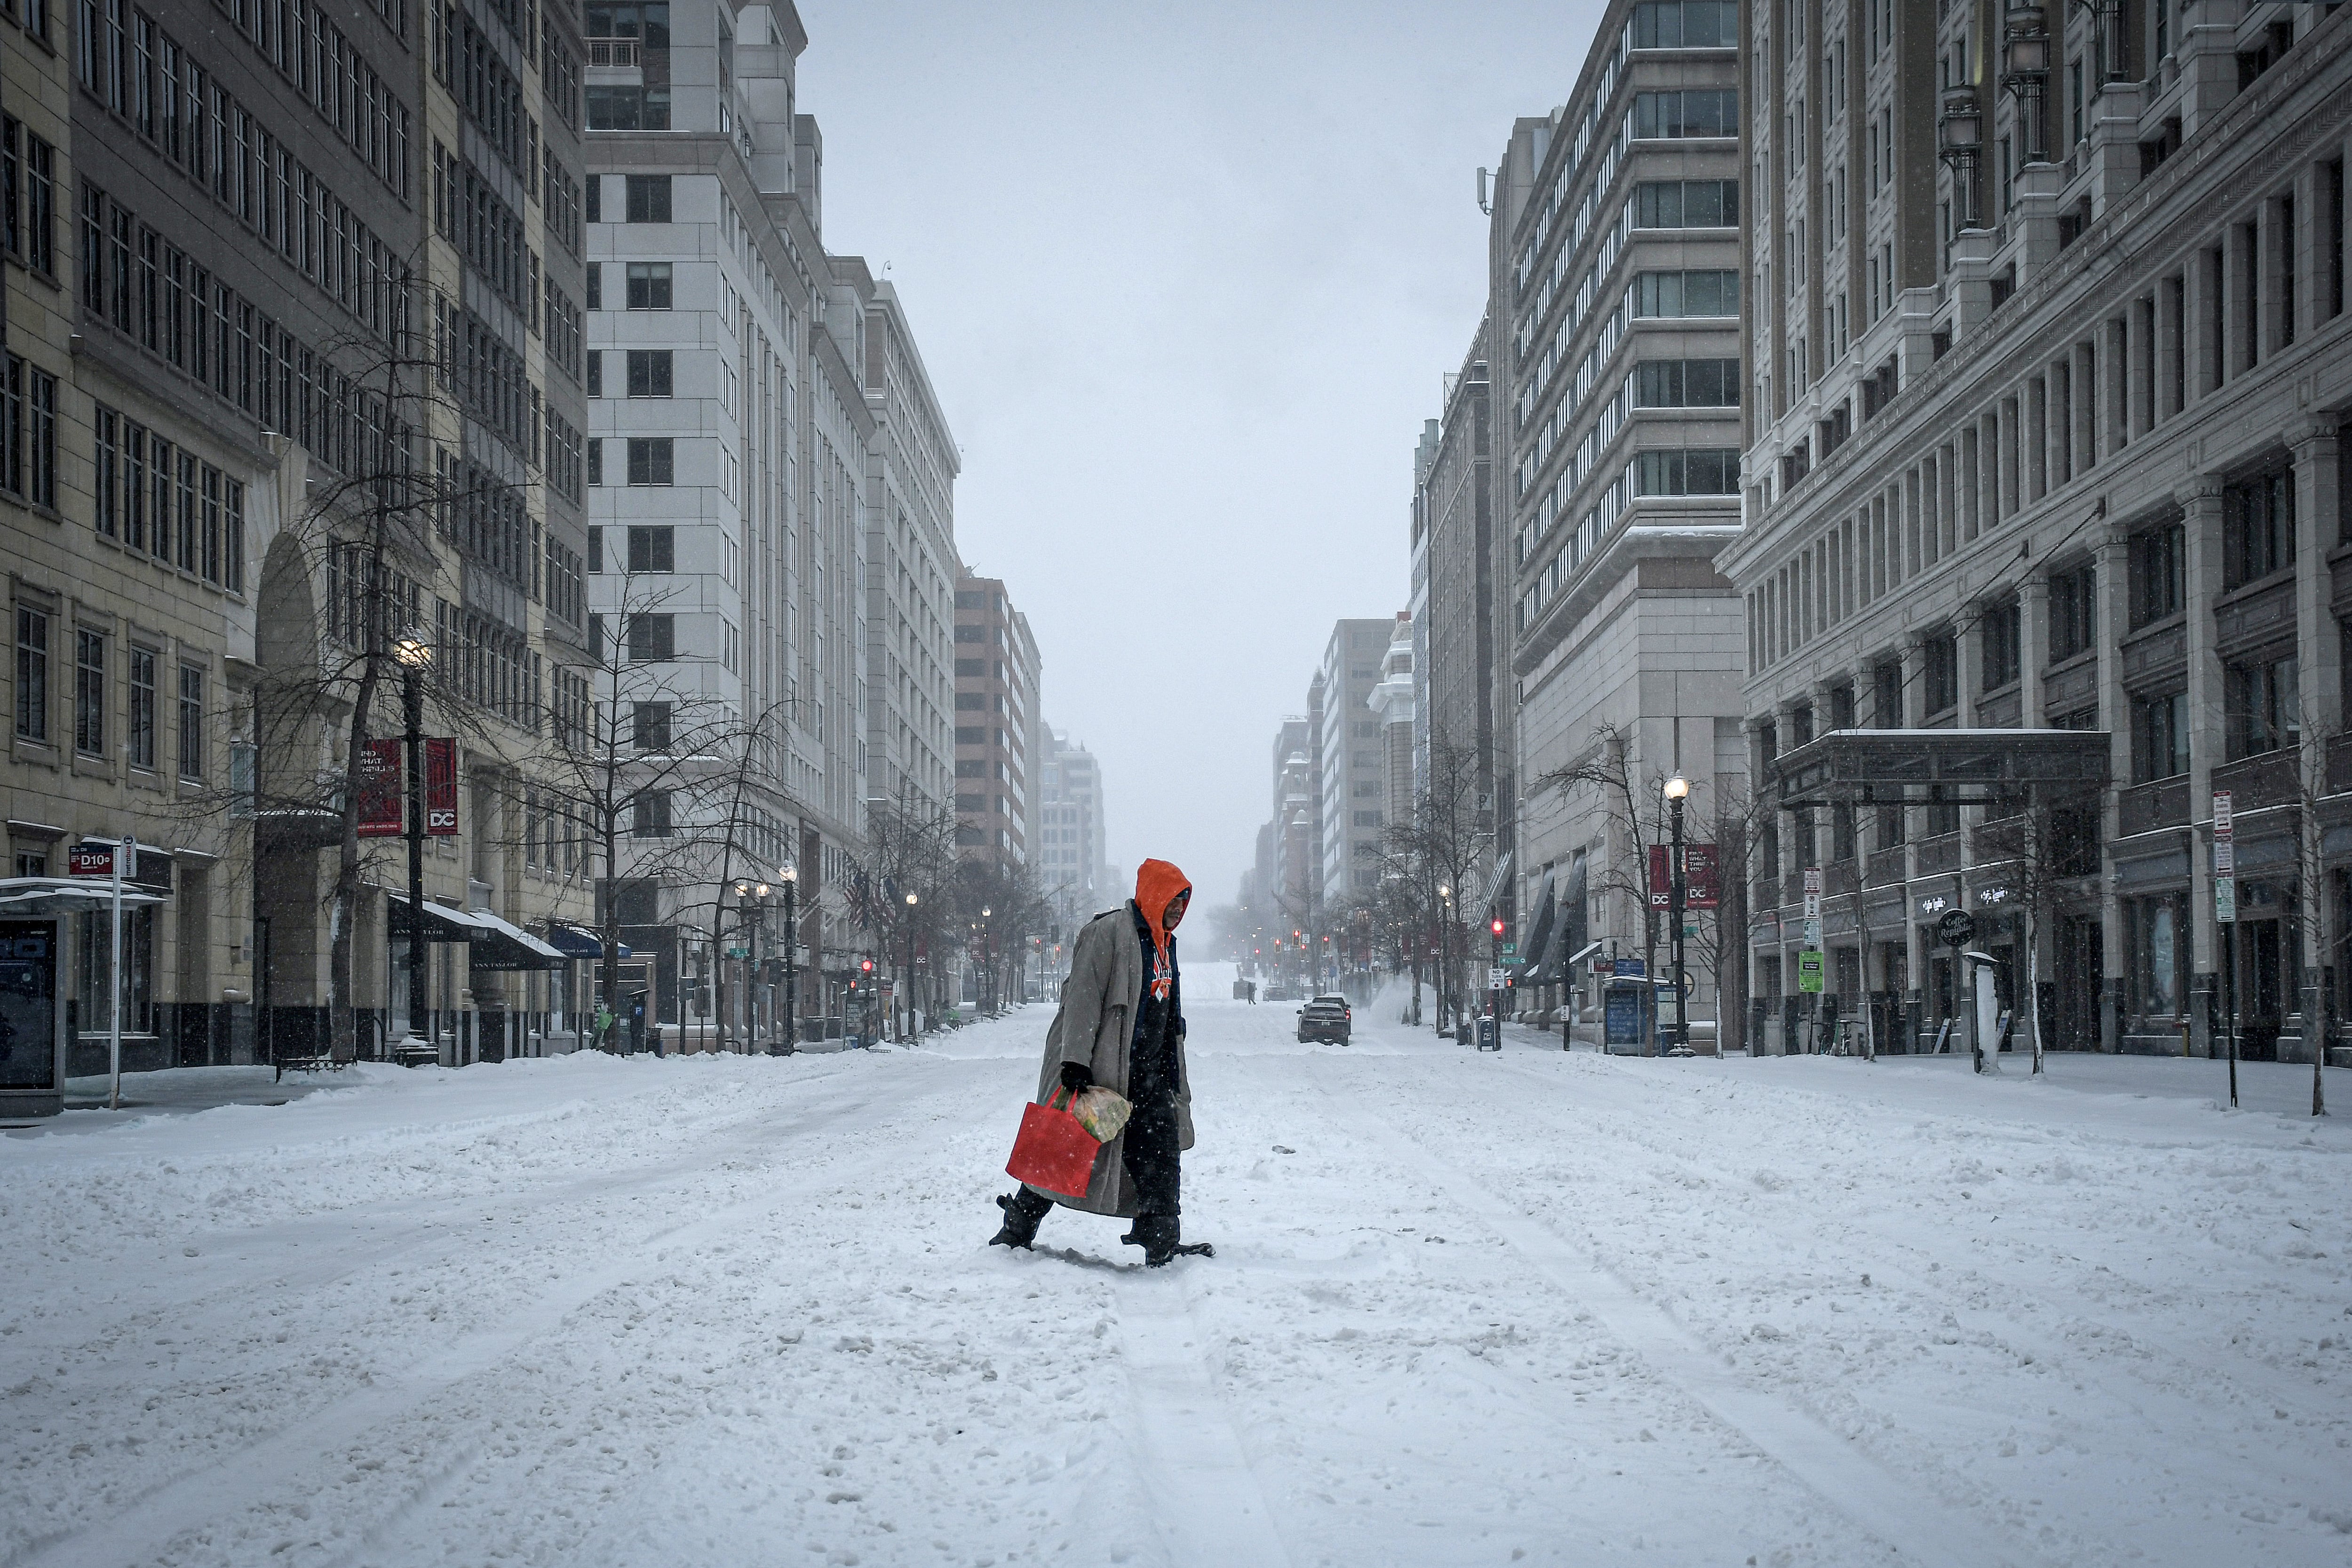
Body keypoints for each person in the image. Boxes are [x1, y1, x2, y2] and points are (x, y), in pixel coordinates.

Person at [990, 859, 1210, 1266]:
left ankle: (1162, 1242)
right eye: (1173, 900)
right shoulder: (1108, 932)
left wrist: (1172, 1063)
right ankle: (1017, 1227)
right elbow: (1083, 996)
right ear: (1154, 895)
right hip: (1105, 1068)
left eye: (1184, 901)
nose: (1179, 909)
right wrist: (1075, 1060)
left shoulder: (1165, 945)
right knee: (1064, 1146)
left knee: (1162, 1153)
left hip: (1151, 1075)